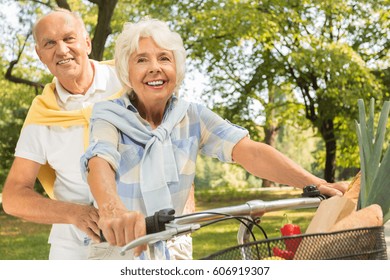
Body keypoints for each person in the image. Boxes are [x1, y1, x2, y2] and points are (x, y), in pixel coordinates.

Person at [80, 18, 348, 259]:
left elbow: (251, 152)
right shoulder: (108, 114)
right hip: (116, 248)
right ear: (127, 71)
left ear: (177, 68)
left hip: (171, 246)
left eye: (164, 58)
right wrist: (112, 209)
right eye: (141, 60)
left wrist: (316, 184)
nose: (154, 68)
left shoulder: (192, 117)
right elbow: (100, 160)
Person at [1, 8, 124, 259]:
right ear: (39, 54)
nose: (62, 50)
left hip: (142, 237)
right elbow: (12, 197)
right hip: (75, 247)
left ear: (87, 43)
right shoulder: (42, 113)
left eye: (69, 38)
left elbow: (177, 138)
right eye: (49, 43)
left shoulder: (129, 82)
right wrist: (73, 213)